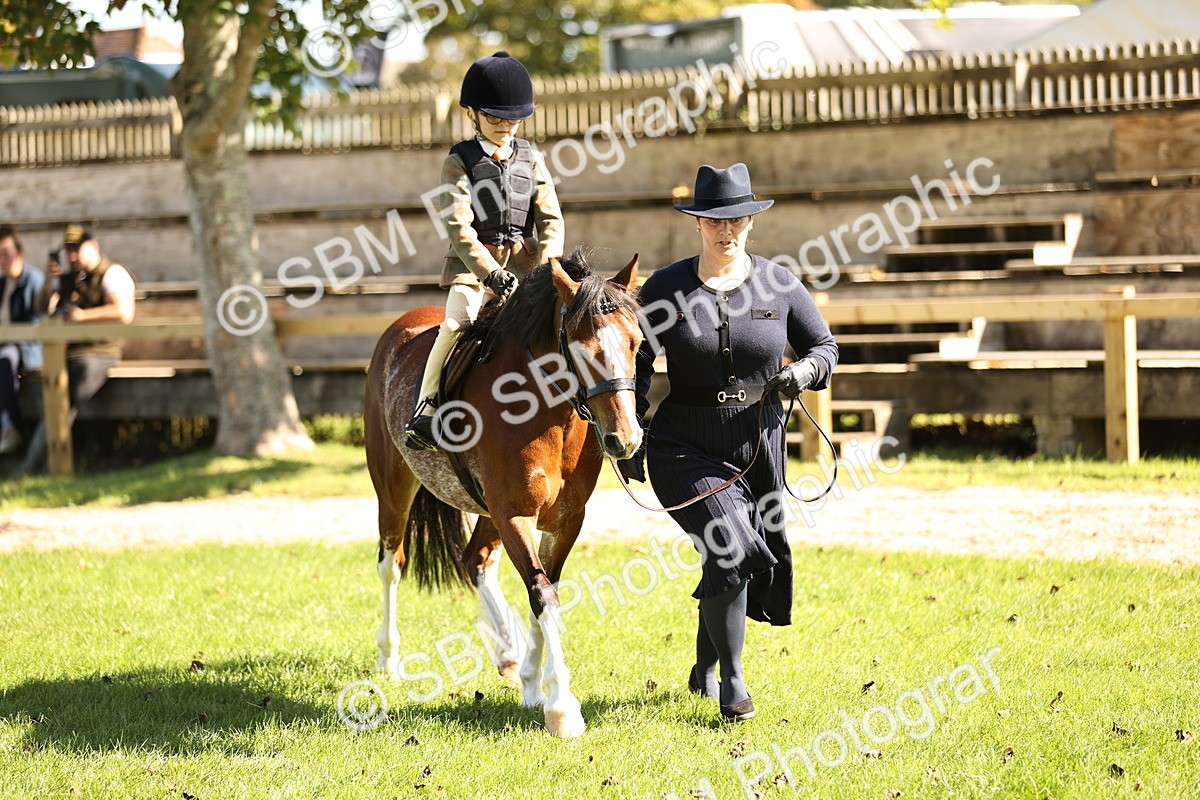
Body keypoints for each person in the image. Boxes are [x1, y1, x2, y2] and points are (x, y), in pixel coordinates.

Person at [621, 163, 839, 722]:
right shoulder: (666, 288)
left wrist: (805, 372)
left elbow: (825, 348)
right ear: (696, 222)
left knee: (734, 553)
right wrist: (633, 435)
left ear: (751, 221)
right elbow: (636, 360)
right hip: (682, 445)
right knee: (732, 545)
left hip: (759, 443)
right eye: (715, 220)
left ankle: (705, 667)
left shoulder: (780, 282)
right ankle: (734, 683)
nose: (727, 231)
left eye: (737, 219)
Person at [405, 51, 565, 450]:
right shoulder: (459, 160)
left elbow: (551, 221)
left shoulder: (532, 159)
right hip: (474, 270)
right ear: (473, 114)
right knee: (456, 322)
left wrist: (546, 269)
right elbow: (457, 225)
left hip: (528, 269)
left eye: (513, 120)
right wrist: (489, 270)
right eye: (495, 118)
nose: (505, 127)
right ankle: (427, 407)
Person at [37, 223, 135, 412]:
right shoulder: (67, 280)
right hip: (68, 353)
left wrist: (83, 316)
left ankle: (47, 441)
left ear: (94, 246)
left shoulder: (112, 273)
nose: (72, 256)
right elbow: (42, 310)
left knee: (69, 392)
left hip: (100, 353)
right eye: (68, 250)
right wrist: (48, 281)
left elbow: (123, 313)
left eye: (77, 249)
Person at [0, 225, 46, 454]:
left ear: (19, 253)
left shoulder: (34, 280)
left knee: (5, 357)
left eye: (6, 253)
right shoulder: (1, 284)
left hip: (27, 350)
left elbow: (38, 323)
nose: (2, 259)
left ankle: (11, 427)